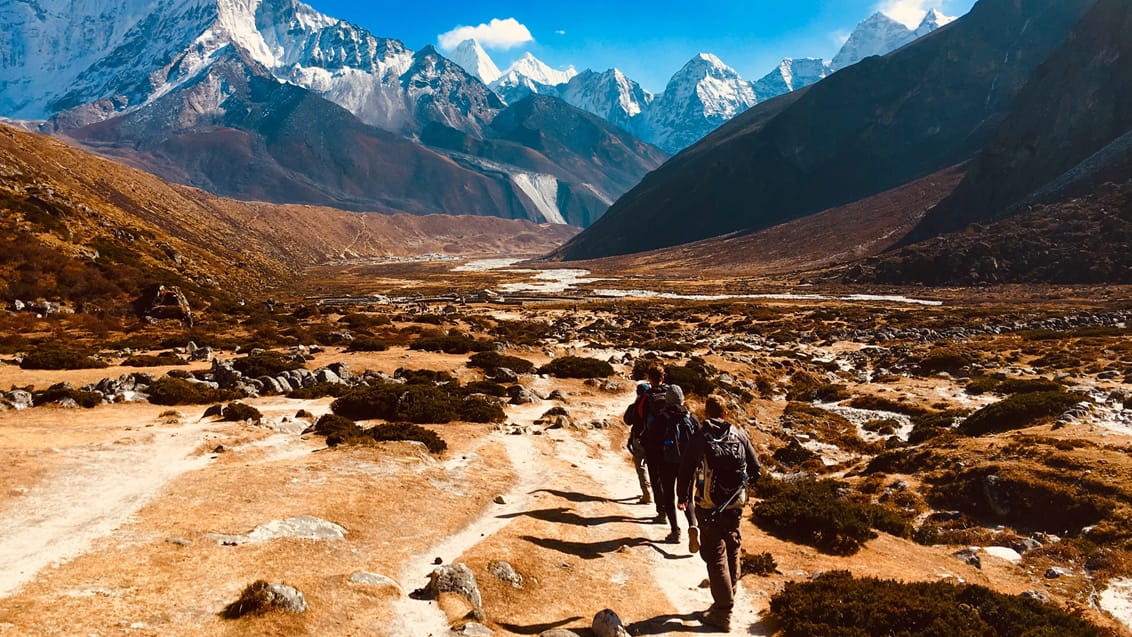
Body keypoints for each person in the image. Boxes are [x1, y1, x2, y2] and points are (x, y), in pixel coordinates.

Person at [677, 394, 760, 632]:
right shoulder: (740, 434)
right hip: (734, 506)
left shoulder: (700, 438)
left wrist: (682, 497)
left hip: (707, 506)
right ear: (725, 414)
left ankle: (723, 612)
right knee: (733, 548)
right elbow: (756, 470)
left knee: (714, 556)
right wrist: (741, 487)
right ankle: (729, 594)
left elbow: (685, 470)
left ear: (706, 413)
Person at [624, 381, 653, 505]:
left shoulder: (636, 406)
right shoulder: (656, 404)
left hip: (639, 439)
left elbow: (627, 420)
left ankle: (647, 494)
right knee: (654, 467)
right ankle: (657, 493)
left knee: (641, 466)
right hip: (655, 440)